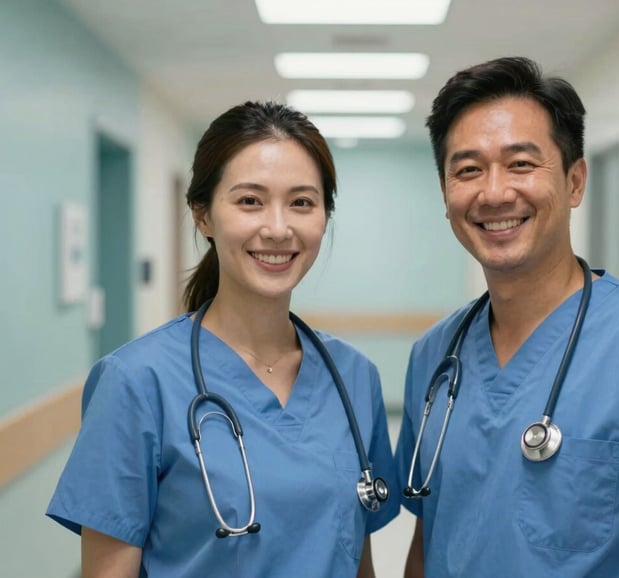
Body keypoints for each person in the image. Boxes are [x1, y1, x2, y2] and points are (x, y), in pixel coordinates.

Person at [394, 57, 619, 577]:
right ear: (446, 193)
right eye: (468, 169)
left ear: (575, 181)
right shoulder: (434, 356)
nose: (494, 192)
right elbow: (430, 542)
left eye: (521, 163)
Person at [47, 101, 399, 577]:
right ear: (203, 215)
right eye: (250, 200)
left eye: (302, 202)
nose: (278, 228)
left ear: (324, 217)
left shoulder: (354, 377)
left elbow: (359, 560)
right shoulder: (135, 382)